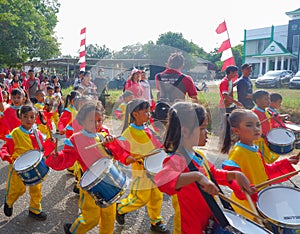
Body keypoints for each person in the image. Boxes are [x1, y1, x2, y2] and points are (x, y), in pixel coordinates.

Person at [154, 102, 255, 233]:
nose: (207, 133)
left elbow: (212, 174)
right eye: (202, 128)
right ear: (184, 131)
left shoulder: (198, 155)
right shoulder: (176, 159)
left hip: (207, 217)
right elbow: (163, 182)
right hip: (189, 224)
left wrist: (235, 175)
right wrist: (197, 176)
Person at [46, 101, 129, 234]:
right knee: (91, 218)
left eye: (99, 120)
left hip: (108, 181)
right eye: (91, 121)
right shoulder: (75, 139)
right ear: (82, 121)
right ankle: (74, 230)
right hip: (90, 185)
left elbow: (116, 153)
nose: (96, 124)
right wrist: (55, 157)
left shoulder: (104, 133)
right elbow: (65, 159)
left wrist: (112, 144)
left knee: (109, 217)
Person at [221, 109, 299, 221]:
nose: (256, 129)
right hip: (248, 204)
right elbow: (230, 176)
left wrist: (286, 163)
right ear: (236, 130)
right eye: (249, 125)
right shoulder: (238, 152)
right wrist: (245, 189)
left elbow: (265, 172)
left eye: (258, 125)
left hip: (261, 200)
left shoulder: (255, 150)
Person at [116, 99, 169, 233]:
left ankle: (156, 221)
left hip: (154, 170)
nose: (148, 114)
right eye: (145, 112)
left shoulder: (148, 129)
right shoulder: (128, 133)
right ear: (135, 114)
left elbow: (157, 146)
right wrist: (127, 157)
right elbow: (119, 150)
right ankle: (120, 208)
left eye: (148, 111)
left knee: (157, 197)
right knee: (141, 198)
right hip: (140, 171)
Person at [0, 105, 55, 220]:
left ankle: (35, 209)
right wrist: (7, 156)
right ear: (20, 118)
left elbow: (43, 149)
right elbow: (5, 148)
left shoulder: (38, 133)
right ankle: (9, 201)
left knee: (37, 189)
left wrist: (51, 143)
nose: (28, 120)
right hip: (18, 168)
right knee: (17, 189)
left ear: (35, 119)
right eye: (25, 117)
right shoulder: (15, 133)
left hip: (34, 167)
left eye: (31, 117)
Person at [251, 90, 279, 163]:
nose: (268, 101)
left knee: (268, 159)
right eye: (266, 99)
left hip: (267, 139)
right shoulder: (253, 113)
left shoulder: (267, 111)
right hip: (259, 141)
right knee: (262, 160)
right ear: (257, 101)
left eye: (269, 99)